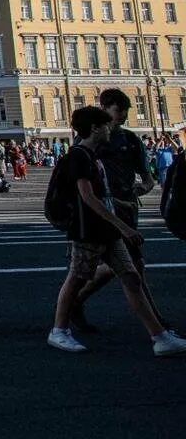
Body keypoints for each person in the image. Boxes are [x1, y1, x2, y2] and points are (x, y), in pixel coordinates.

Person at [47, 106, 186, 355]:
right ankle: (59, 331)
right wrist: (122, 226)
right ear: (94, 128)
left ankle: (160, 337)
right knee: (76, 279)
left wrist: (120, 205)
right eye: (105, 126)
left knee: (131, 276)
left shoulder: (93, 155)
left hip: (107, 232)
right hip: (88, 230)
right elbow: (88, 198)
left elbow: (101, 195)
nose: (109, 129)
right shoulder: (79, 156)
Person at [67, 88, 157, 332]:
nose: (122, 116)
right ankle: (157, 326)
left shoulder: (130, 140)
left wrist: (141, 189)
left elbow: (148, 178)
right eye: (118, 111)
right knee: (127, 269)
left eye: (125, 111)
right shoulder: (88, 143)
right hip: (101, 215)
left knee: (124, 267)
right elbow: (80, 184)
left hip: (127, 212)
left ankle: (75, 303)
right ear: (104, 110)